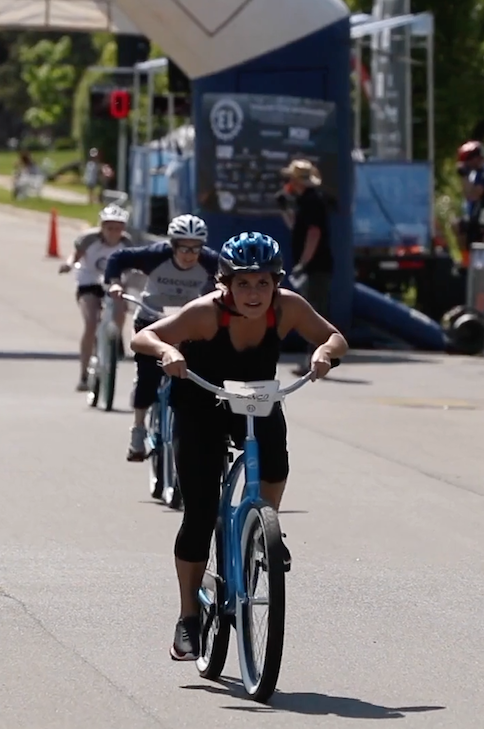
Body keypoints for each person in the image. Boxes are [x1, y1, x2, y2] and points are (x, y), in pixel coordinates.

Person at [131, 232, 348, 661]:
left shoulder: (287, 308)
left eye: (263, 283)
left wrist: (324, 353)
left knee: (276, 465)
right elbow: (144, 337)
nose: (253, 293)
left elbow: (335, 337)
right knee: (200, 514)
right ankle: (188, 616)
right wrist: (167, 353)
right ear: (225, 284)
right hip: (201, 403)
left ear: (276, 283)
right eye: (243, 283)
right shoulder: (205, 313)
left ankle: (264, 531)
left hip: (254, 398)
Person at [104, 214, 219, 460]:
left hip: (187, 322)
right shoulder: (154, 255)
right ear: (172, 245)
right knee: (148, 376)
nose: (190, 255)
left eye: (196, 248)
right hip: (151, 319)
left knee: (198, 373)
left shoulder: (211, 261)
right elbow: (118, 258)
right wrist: (114, 283)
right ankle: (138, 428)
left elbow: (230, 278)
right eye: (184, 248)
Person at [58, 204, 134, 391]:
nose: (113, 233)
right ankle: (84, 375)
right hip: (89, 281)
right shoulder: (89, 239)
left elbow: (130, 266)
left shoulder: (127, 243)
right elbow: (75, 256)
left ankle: (115, 336)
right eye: (109, 228)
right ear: (102, 227)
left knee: (121, 306)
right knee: (91, 323)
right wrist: (68, 265)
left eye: (118, 228)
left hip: (112, 281)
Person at [277, 159, 334, 377]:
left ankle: (318, 360)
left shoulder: (312, 201)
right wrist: (285, 209)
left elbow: (313, 233)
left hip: (316, 266)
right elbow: (297, 228)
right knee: (313, 310)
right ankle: (312, 359)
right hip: (313, 266)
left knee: (314, 314)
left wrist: (303, 263)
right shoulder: (304, 201)